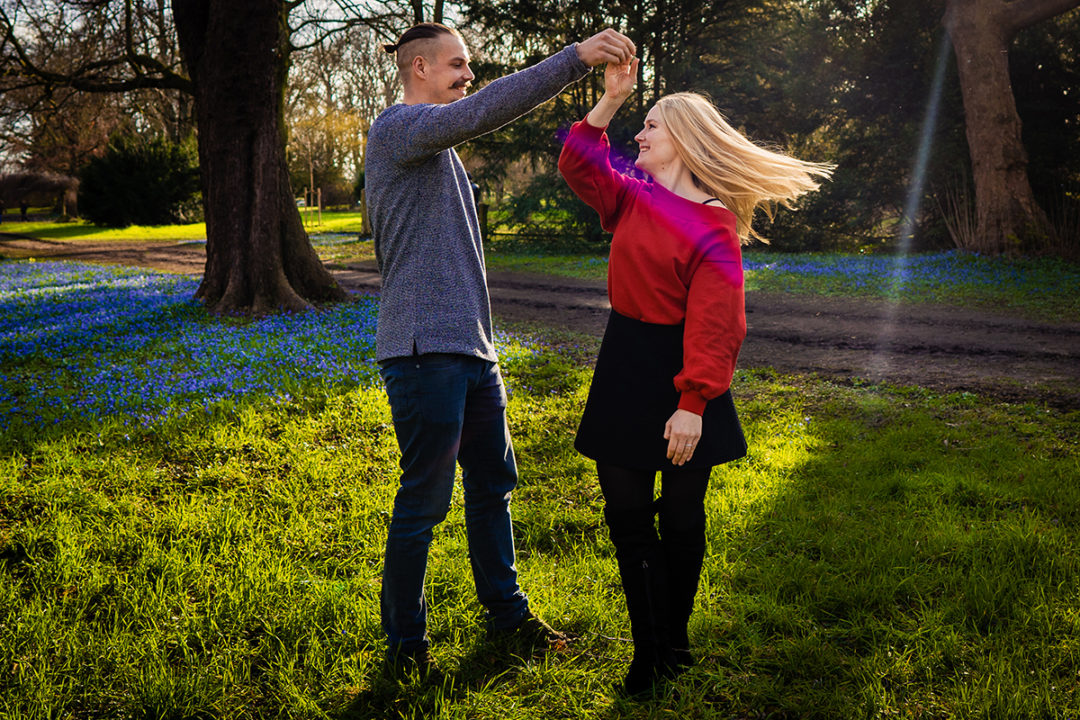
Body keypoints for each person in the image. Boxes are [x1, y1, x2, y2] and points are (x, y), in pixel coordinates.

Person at [365, 22, 637, 676]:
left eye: (469, 66)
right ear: (420, 68)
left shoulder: (436, 149)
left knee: (494, 483)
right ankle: (406, 648)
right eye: (457, 65)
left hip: (471, 352)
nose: (468, 75)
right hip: (424, 352)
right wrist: (575, 58)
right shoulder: (396, 131)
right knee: (424, 504)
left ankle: (507, 614)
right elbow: (485, 110)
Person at [558, 59, 834, 696]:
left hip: (683, 376)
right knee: (627, 517)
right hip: (625, 362)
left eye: (651, 126)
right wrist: (612, 100)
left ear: (684, 135)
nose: (639, 136)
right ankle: (648, 652)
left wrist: (692, 404)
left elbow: (718, 325)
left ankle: (675, 642)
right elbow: (577, 162)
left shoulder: (714, 225)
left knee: (681, 518)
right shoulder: (629, 194)